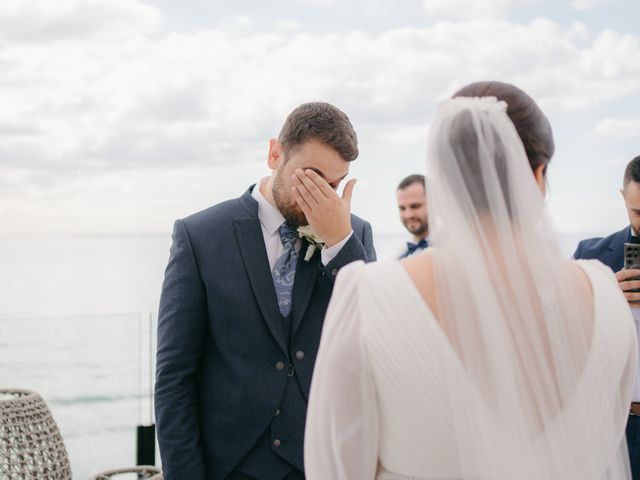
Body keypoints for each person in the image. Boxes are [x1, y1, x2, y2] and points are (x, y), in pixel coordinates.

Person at [305, 82, 637, 479]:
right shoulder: (607, 293)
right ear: (538, 173)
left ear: (443, 175)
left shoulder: (368, 294)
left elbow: (334, 470)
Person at [155, 102, 376, 480]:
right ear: (275, 153)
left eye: (334, 185)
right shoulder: (200, 236)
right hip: (231, 465)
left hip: (322, 463)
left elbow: (372, 341)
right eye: (311, 177)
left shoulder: (354, 235)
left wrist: (340, 243)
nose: (320, 195)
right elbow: (174, 377)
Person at [574, 154, 640, 479]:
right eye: (639, 211)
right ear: (622, 198)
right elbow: (564, 336)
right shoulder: (590, 256)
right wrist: (603, 294)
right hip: (612, 425)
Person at [396, 174, 429, 258]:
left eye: (415, 206)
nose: (408, 215)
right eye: (402, 208)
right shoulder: (397, 254)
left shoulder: (451, 248)